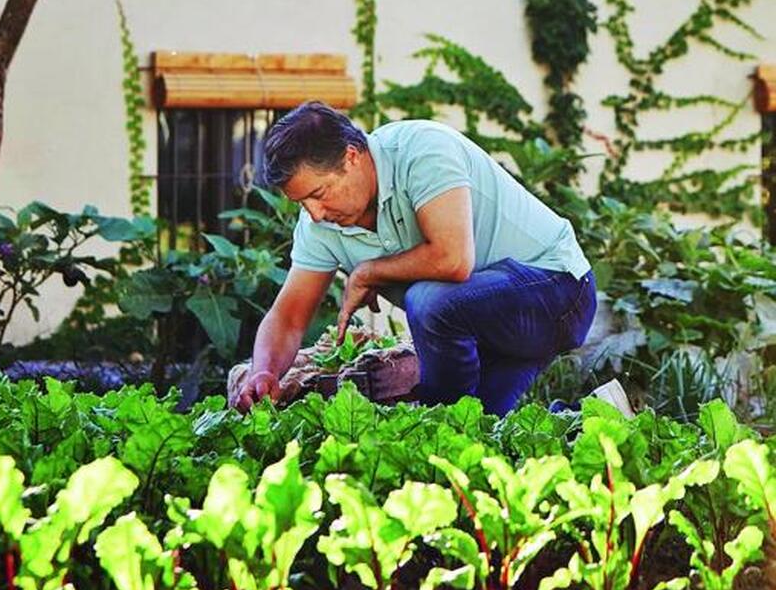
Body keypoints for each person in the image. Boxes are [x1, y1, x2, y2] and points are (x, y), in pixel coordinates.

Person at [231, 101, 598, 416]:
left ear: (352, 158)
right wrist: (264, 372)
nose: (314, 213)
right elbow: (289, 316)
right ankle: (600, 418)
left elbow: (453, 259)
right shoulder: (320, 224)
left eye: (319, 193)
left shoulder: (421, 150)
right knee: (480, 435)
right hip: (482, 325)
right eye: (302, 203)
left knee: (427, 303)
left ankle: (434, 420)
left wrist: (368, 272)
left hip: (558, 290)